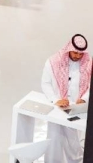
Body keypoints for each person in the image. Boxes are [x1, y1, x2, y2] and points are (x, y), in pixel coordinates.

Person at [41, 34, 90, 163]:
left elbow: (91, 86)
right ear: (69, 48)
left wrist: (84, 99)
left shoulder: (89, 64)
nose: (77, 56)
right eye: (75, 53)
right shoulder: (53, 62)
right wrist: (56, 100)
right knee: (54, 138)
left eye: (80, 54)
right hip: (57, 106)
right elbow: (45, 83)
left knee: (73, 141)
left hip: (76, 109)